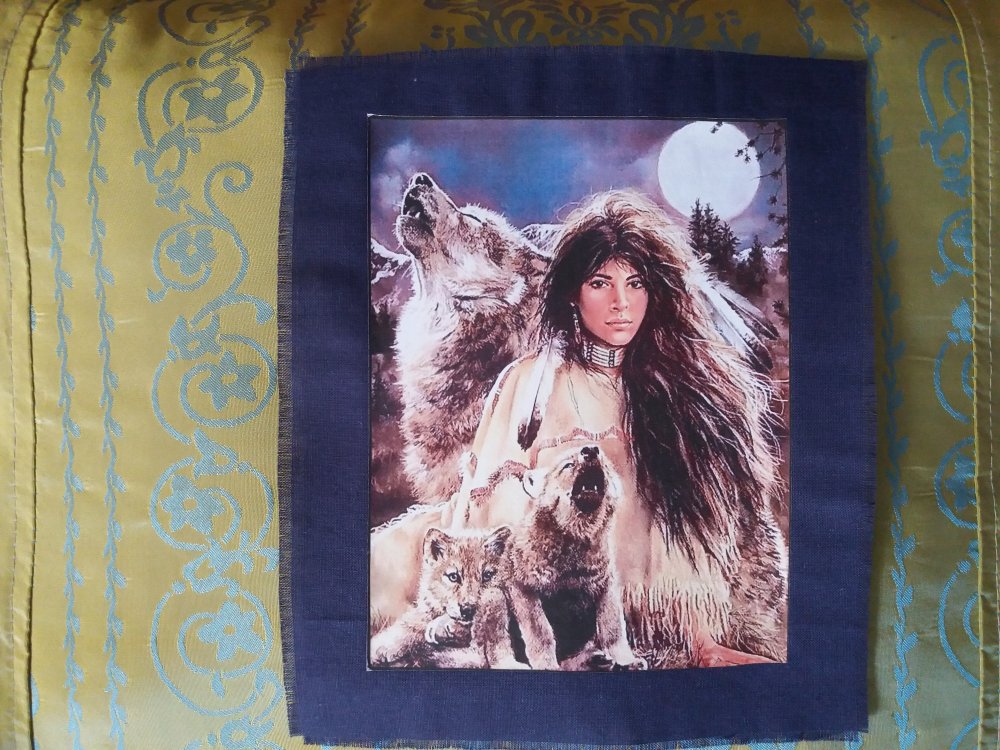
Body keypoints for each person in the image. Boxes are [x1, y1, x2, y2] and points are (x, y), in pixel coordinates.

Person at [370, 190, 787, 668]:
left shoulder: (698, 391)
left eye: (635, 284)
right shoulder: (531, 383)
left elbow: (735, 529)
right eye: (600, 283)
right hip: (552, 610)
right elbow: (484, 519)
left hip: (679, 623)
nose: (621, 304)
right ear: (573, 291)